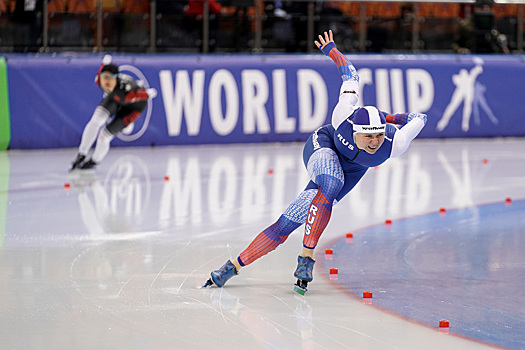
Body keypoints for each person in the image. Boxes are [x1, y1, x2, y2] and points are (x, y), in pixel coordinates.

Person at [202, 30, 427, 293]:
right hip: (323, 145)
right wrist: (332, 49)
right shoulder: (343, 116)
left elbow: (420, 118)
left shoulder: (395, 144)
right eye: (368, 136)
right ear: (354, 130)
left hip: (353, 171)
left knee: (288, 222)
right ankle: (306, 258)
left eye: (378, 136)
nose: (374, 142)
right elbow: (351, 75)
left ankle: (231, 267)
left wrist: (394, 118)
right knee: (331, 182)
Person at [70, 55, 157, 171]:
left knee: (104, 135)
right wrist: (106, 62)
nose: (106, 82)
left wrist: (147, 93)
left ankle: (95, 160)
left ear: (116, 79)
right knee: (96, 120)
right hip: (114, 98)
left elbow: (143, 95)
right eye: (104, 77)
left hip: (133, 106)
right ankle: (82, 153)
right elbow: (103, 67)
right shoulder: (99, 80)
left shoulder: (126, 91)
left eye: (110, 78)